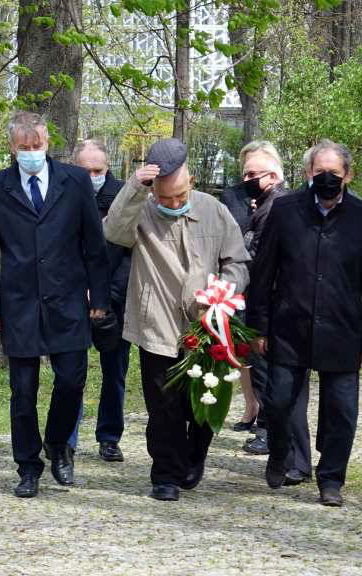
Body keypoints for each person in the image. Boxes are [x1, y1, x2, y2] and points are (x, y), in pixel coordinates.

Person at [104, 138, 250, 502]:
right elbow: (113, 231)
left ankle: (195, 455)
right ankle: (165, 475)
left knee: (204, 396)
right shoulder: (141, 209)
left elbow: (237, 261)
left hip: (206, 324)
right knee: (163, 405)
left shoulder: (214, 210)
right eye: (165, 197)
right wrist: (134, 187)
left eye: (180, 195)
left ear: (192, 181)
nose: (172, 203)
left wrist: (224, 292)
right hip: (156, 323)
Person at [0, 111, 110, 498]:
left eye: (37, 145)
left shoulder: (75, 181)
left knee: (71, 380)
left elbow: (93, 245)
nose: (32, 152)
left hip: (67, 301)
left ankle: (58, 444)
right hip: (18, 304)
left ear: (48, 143)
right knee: (23, 391)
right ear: (12, 147)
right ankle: (27, 466)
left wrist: (99, 297)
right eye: (24, 147)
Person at [247, 139, 362, 507]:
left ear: (348, 175)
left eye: (334, 173)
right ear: (308, 173)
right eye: (319, 171)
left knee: (342, 411)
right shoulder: (285, 210)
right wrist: (258, 326)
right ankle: (281, 453)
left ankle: (331, 479)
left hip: (342, 330)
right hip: (288, 327)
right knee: (278, 401)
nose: (326, 178)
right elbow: (263, 272)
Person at [233, 141, 312, 487]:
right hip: (268, 306)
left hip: (279, 311)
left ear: (274, 176)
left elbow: (261, 259)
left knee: (284, 390)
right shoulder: (265, 205)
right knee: (280, 388)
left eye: (253, 174)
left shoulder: (279, 207)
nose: (247, 180)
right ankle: (291, 457)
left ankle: (291, 457)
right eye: (244, 173)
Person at [68, 139, 132, 462]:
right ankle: (67, 437)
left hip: (114, 301)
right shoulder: (63, 195)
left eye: (98, 170)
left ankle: (109, 437)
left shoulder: (124, 196)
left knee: (115, 372)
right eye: (86, 171)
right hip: (73, 298)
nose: (93, 176)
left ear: (108, 168)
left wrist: (105, 294)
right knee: (70, 374)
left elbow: (130, 255)